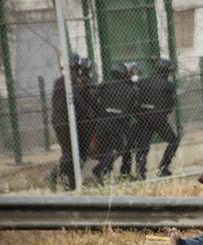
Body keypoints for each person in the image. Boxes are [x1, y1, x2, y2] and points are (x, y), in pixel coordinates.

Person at [50, 53, 96, 191]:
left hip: (65, 121)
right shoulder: (69, 82)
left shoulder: (64, 81)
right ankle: (62, 179)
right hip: (65, 122)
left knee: (74, 153)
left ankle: (68, 180)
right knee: (70, 153)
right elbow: (78, 104)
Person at [92, 62, 140, 181]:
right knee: (122, 148)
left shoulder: (104, 85)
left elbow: (93, 100)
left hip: (102, 122)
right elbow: (132, 110)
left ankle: (103, 172)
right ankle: (105, 172)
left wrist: (101, 111)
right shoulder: (130, 89)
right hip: (117, 125)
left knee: (107, 150)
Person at [135, 58, 179, 179]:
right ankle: (163, 168)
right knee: (173, 140)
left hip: (144, 117)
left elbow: (136, 99)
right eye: (169, 71)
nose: (170, 74)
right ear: (165, 71)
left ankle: (140, 172)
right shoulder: (167, 85)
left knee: (143, 145)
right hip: (158, 117)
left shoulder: (143, 81)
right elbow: (170, 106)